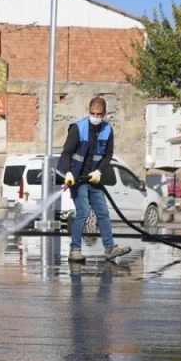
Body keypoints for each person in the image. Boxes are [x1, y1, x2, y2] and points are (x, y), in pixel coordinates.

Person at [58, 96, 130, 263]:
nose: (96, 117)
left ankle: (110, 248)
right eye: (93, 113)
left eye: (99, 114)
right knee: (82, 211)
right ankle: (74, 250)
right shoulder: (78, 128)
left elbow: (108, 154)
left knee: (103, 213)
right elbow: (66, 152)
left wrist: (99, 171)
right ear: (88, 112)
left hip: (94, 179)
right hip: (77, 178)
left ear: (104, 113)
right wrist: (68, 173)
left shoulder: (107, 130)